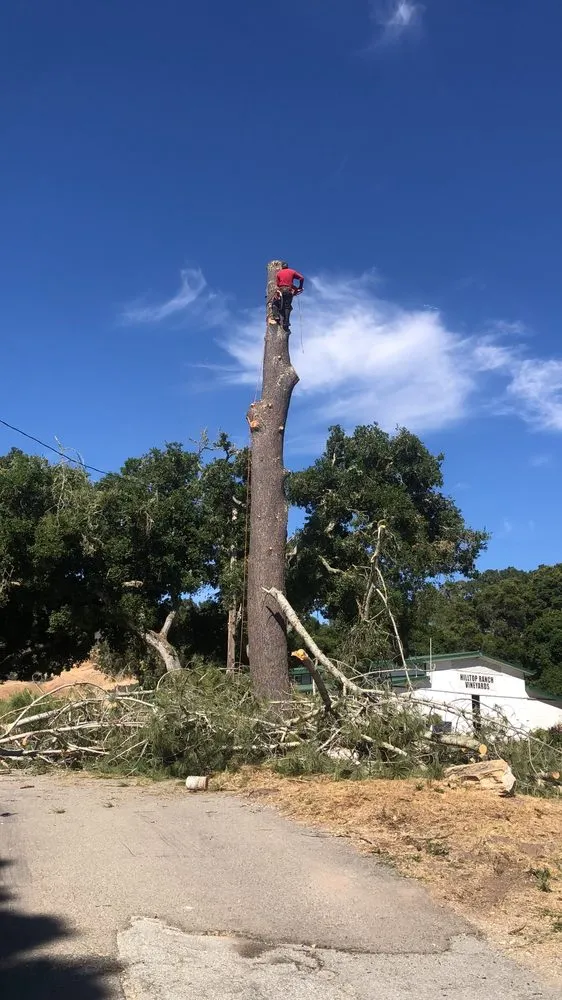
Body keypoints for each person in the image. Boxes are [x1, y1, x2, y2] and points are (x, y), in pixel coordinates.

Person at [272, 262, 304, 331]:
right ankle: (286, 322)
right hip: (289, 291)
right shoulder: (292, 271)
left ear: (282, 267)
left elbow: (278, 284)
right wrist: (300, 287)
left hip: (281, 290)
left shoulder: (279, 273)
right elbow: (301, 278)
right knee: (287, 306)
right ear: (287, 266)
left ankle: (276, 316)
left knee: (275, 303)